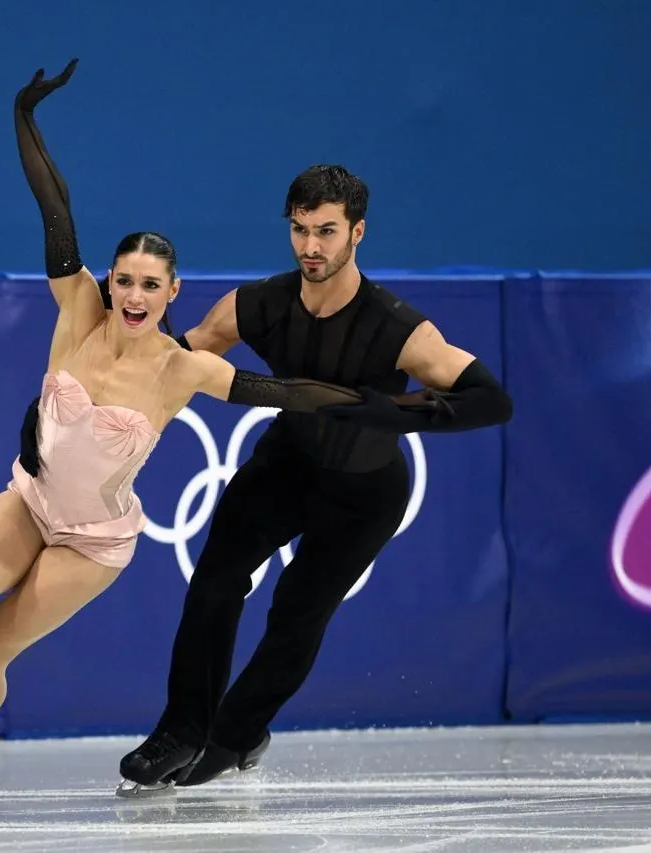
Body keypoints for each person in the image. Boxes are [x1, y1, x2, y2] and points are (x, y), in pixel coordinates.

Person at [0, 60, 444, 797]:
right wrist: (25, 116)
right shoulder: (77, 309)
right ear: (108, 282)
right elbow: (55, 209)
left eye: (152, 284)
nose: (135, 294)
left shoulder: (181, 368)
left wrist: (385, 407)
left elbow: (285, 391)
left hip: (92, 542)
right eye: (124, 280)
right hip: (30, 502)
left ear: (172, 292)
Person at [110, 163, 515, 796]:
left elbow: (491, 400)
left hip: (366, 494)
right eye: (300, 230)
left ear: (358, 232)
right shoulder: (257, 305)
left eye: (327, 231)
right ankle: (181, 732)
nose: (311, 247)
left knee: (297, 613)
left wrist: (395, 412)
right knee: (214, 581)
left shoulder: (399, 328)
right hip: (286, 463)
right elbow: (174, 360)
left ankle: (235, 737)